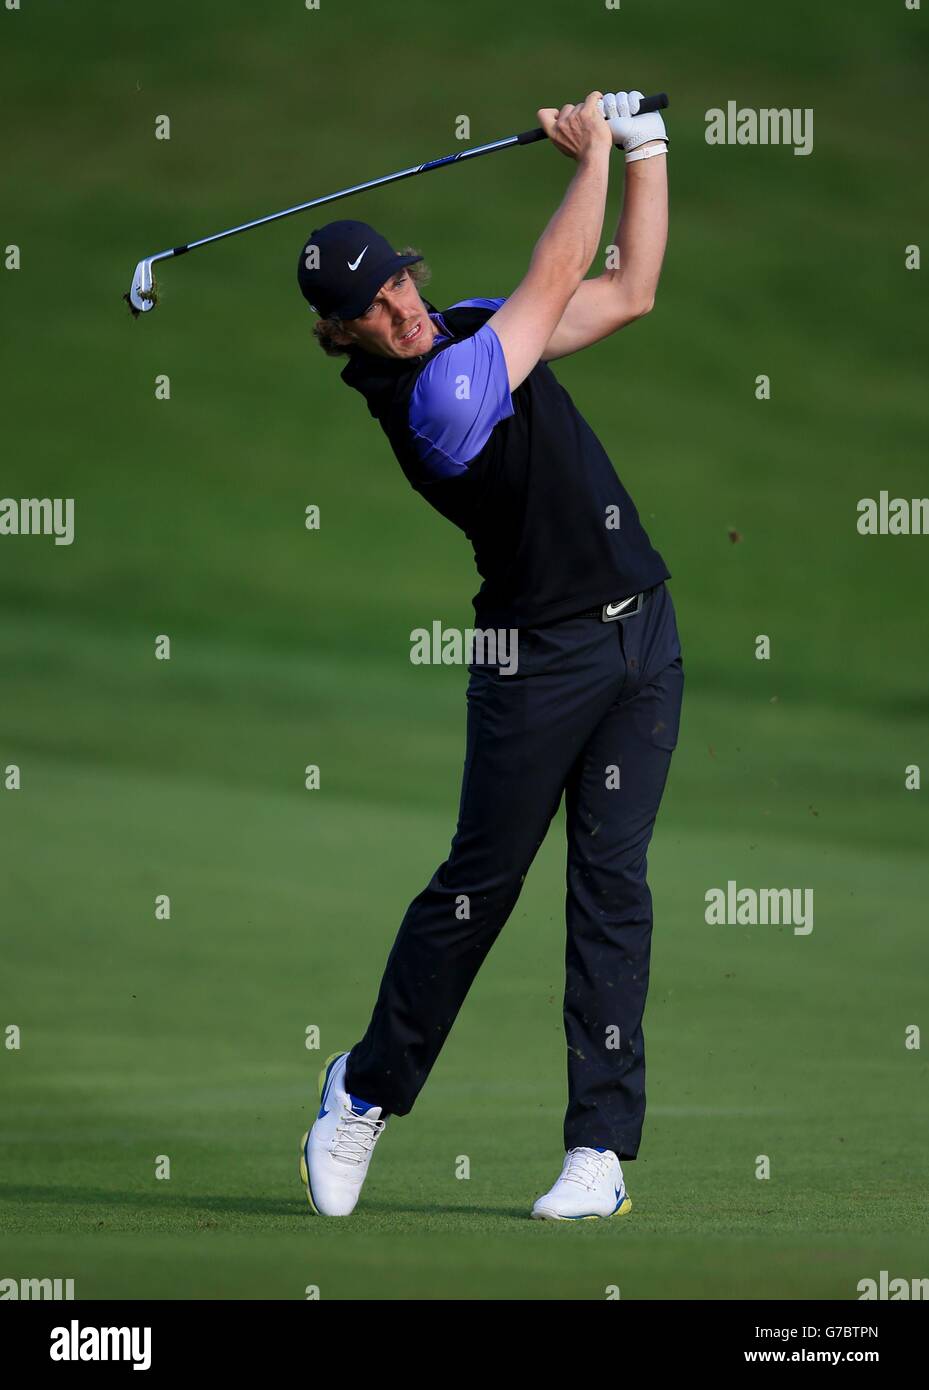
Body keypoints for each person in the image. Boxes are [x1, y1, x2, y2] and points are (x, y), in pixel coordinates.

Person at [296, 90, 683, 1220]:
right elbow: (558, 273)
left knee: (612, 890)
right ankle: (362, 1089)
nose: (399, 306)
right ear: (343, 333)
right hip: (536, 664)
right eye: (372, 306)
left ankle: (598, 1156)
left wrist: (647, 148)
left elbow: (626, 292)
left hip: (641, 641)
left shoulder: (464, 325)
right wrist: (593, 151)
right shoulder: (429, 402)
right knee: (479, 891)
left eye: (398, 281)